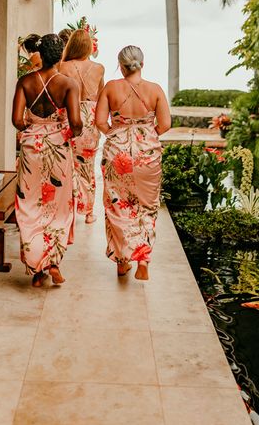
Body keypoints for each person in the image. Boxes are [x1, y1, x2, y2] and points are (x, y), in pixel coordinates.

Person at [12, 33, 82, 287]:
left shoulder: (25, 81)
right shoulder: (68, 84)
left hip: (32, 148)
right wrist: (65, 130)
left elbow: (17, 121)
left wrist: (35, 126)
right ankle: (53, 263)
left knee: (31, 204)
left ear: (40, 55)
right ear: (61, 55)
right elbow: (76, 123)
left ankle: (37, 269)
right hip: (58, 148)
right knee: (58, 205)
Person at [95, 45, 171, 280]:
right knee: (147, 206)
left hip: (117, 152)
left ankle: (122, 261)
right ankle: (143, 259)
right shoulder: (155, 90)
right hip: (147, 152)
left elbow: (99, 121)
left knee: (118, 205)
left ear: (120, 65)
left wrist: (117, 132)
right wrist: (147, 134)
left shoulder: (111, 87)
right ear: (142, 64)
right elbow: (165, 124)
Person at [60, 29, 104, 223]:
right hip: (91, 118)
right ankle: (88, 212)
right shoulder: (99, 68)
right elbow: (102, 97)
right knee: (87, 164)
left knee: (67, 163)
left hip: (70, 115)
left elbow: (59, 94)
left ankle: (68, 206)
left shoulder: (63, 66)